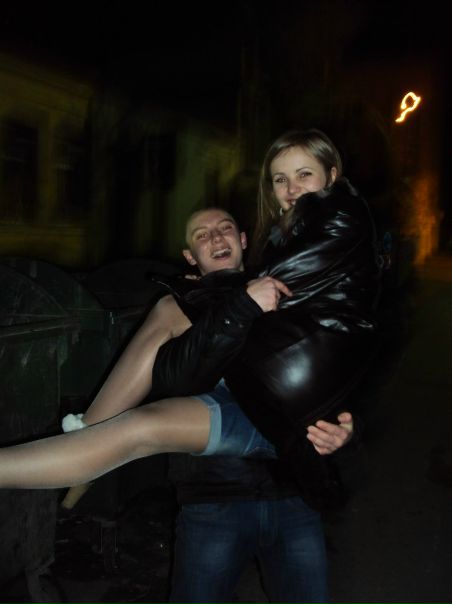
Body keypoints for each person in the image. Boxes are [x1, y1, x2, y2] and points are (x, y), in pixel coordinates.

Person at [0, 129, 379, 521]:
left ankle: (81, 456)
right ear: (190, 256)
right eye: (280, 179)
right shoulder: (279, 256)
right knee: (140, 423)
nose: (291, 188)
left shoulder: (332, 224)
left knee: (164, 330)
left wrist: (349, 426)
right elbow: (177, 374)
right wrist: (217, 301)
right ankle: (77, 468)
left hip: (280, 443)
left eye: (304, 174)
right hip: (246, 448)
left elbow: (335, 338)